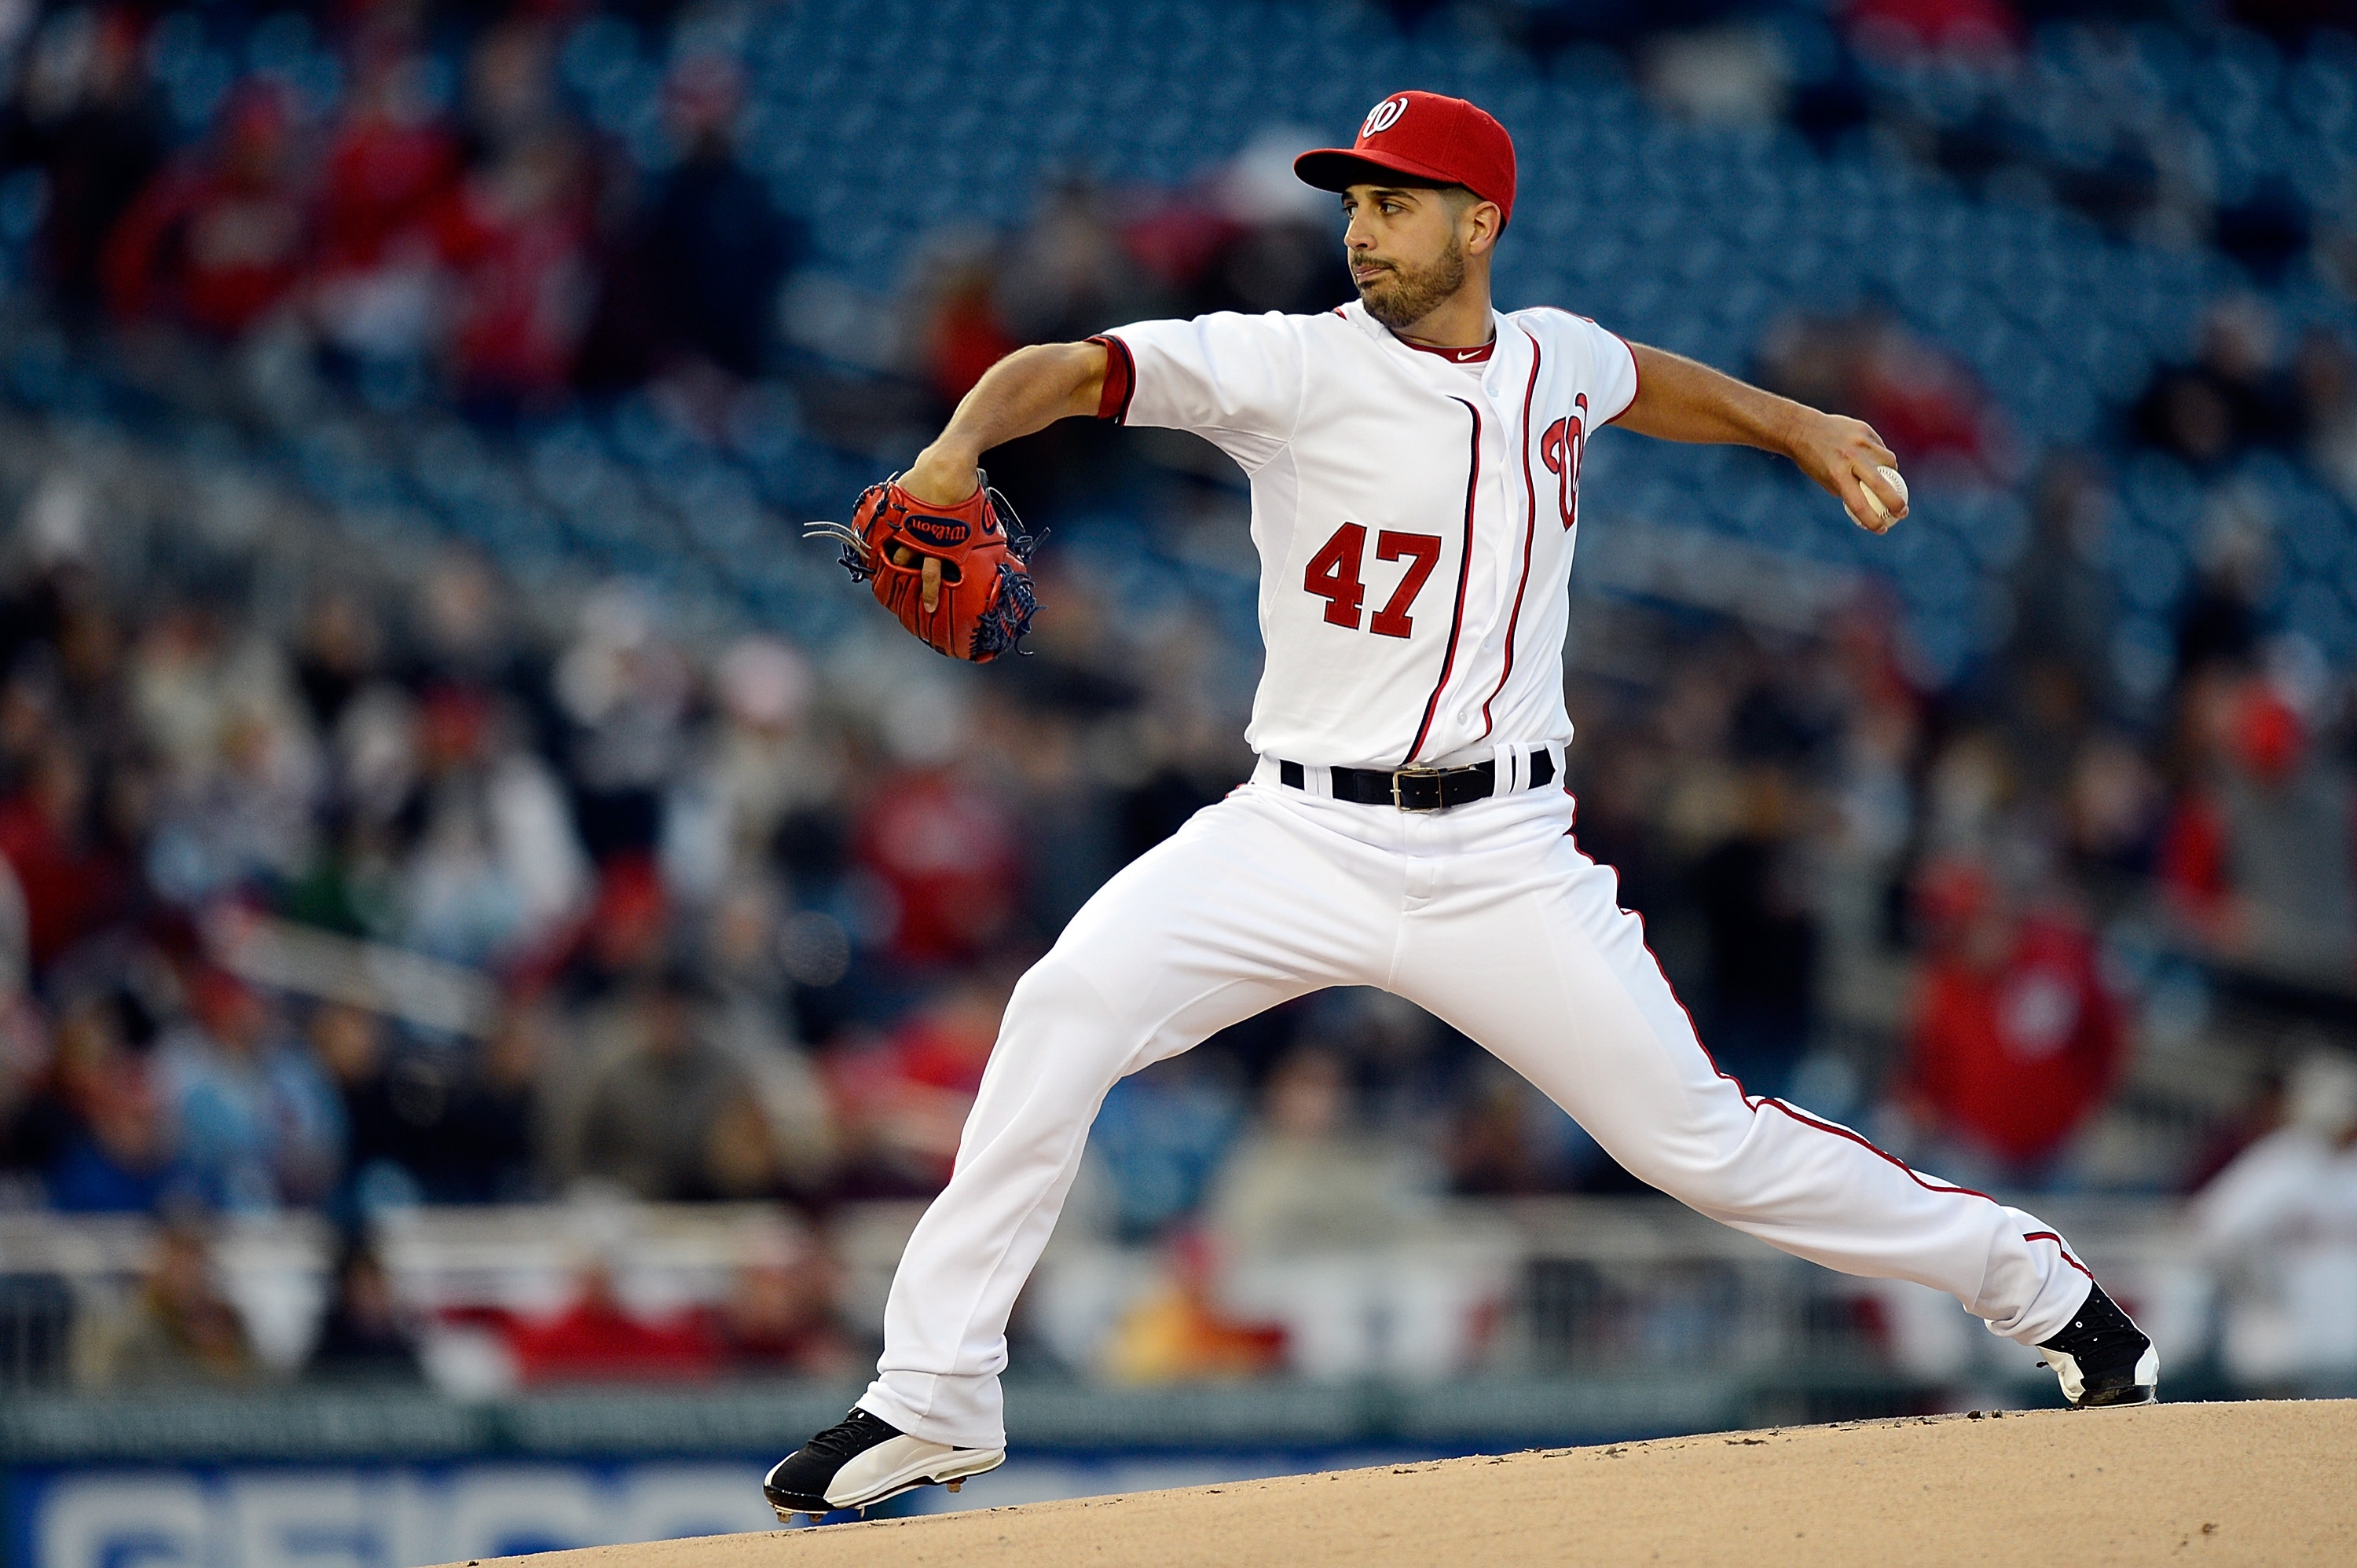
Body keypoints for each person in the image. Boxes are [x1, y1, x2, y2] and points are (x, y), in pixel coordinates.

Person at [763, 91, 2157, 1522]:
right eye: (1354, 202)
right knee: (1063, 1009)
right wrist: (948, 461)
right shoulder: (1288, 368)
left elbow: (1635, 376)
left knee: (1706, 1148)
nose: (1362, 229)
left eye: (1395, 202)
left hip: (1505, 857)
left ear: (1478, 222)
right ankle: (929, 1398)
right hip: (1295, 832)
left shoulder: (1552, 355)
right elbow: (1065, 366)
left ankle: (2043, 1291)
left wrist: (1795, 424)